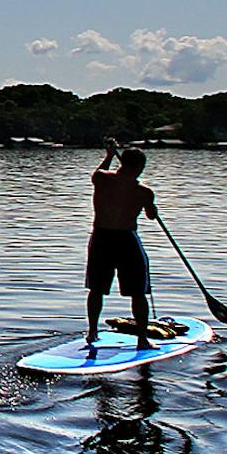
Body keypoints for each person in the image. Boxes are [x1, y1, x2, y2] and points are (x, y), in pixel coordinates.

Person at [87, 137, 159, 350]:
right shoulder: (144, 192)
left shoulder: (101, 178)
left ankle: (92, 332)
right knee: (138, 292)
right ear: (139, 167)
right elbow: (151, 216)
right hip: (126, 240)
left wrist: (108, 156)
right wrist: (152, 207)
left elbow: (99, 173)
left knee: (97, 289)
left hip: (101, 238)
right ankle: (142, 340)